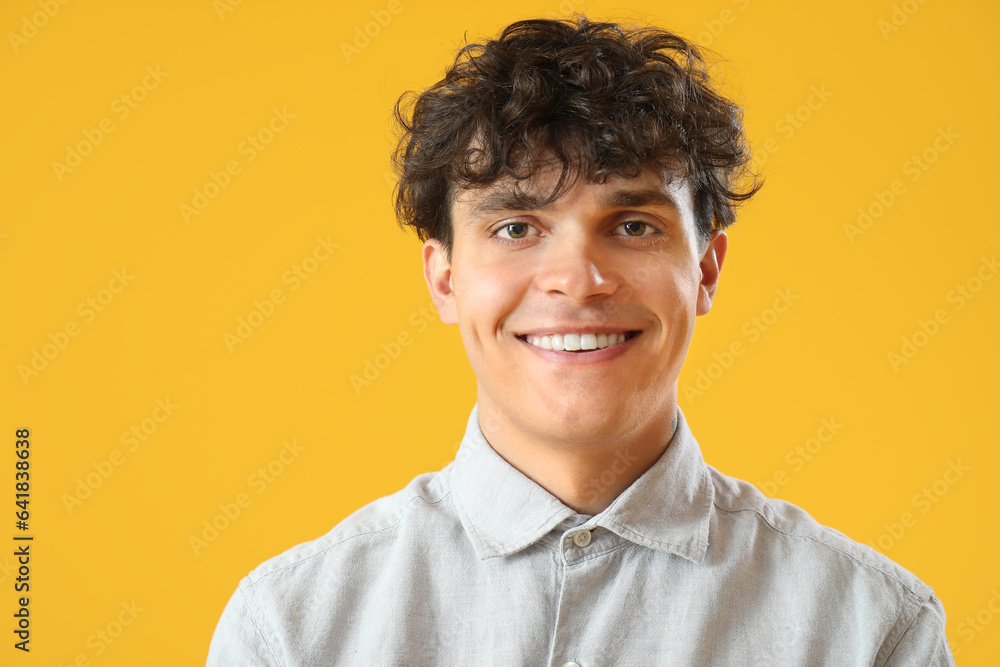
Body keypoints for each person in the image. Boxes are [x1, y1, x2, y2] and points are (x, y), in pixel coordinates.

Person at [207, 15, 955, 665]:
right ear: (444, 279)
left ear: (705, 268)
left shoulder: (871, 630)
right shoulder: (291, 630)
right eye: (515, 227)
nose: (579, 279)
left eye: (633, 225)